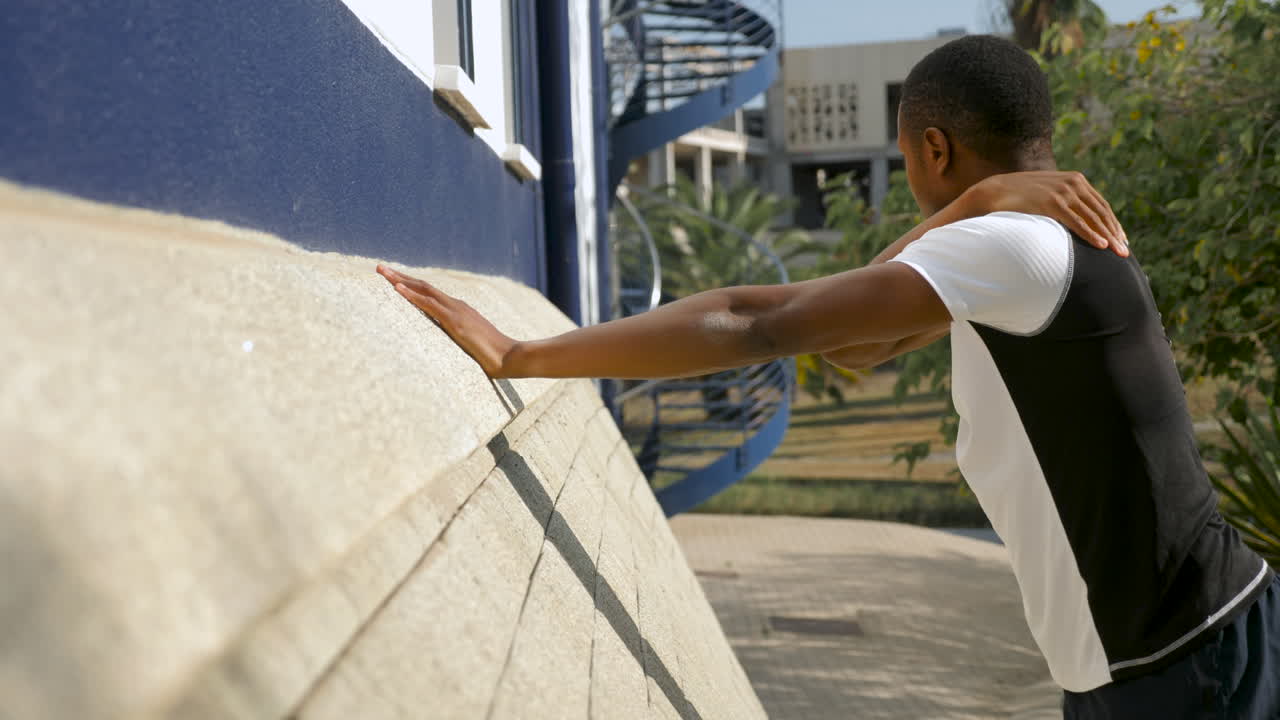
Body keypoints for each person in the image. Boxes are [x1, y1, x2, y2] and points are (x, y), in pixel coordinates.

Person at [378, 35, 1278, 719]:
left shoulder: (1013, 245)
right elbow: (859, 348)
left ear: (933, 147)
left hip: (1183, 661)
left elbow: (758, 320)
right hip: (1168, 650)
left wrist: (519, 354)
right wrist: (969, 201)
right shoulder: (1032, 241)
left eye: (908, 161)